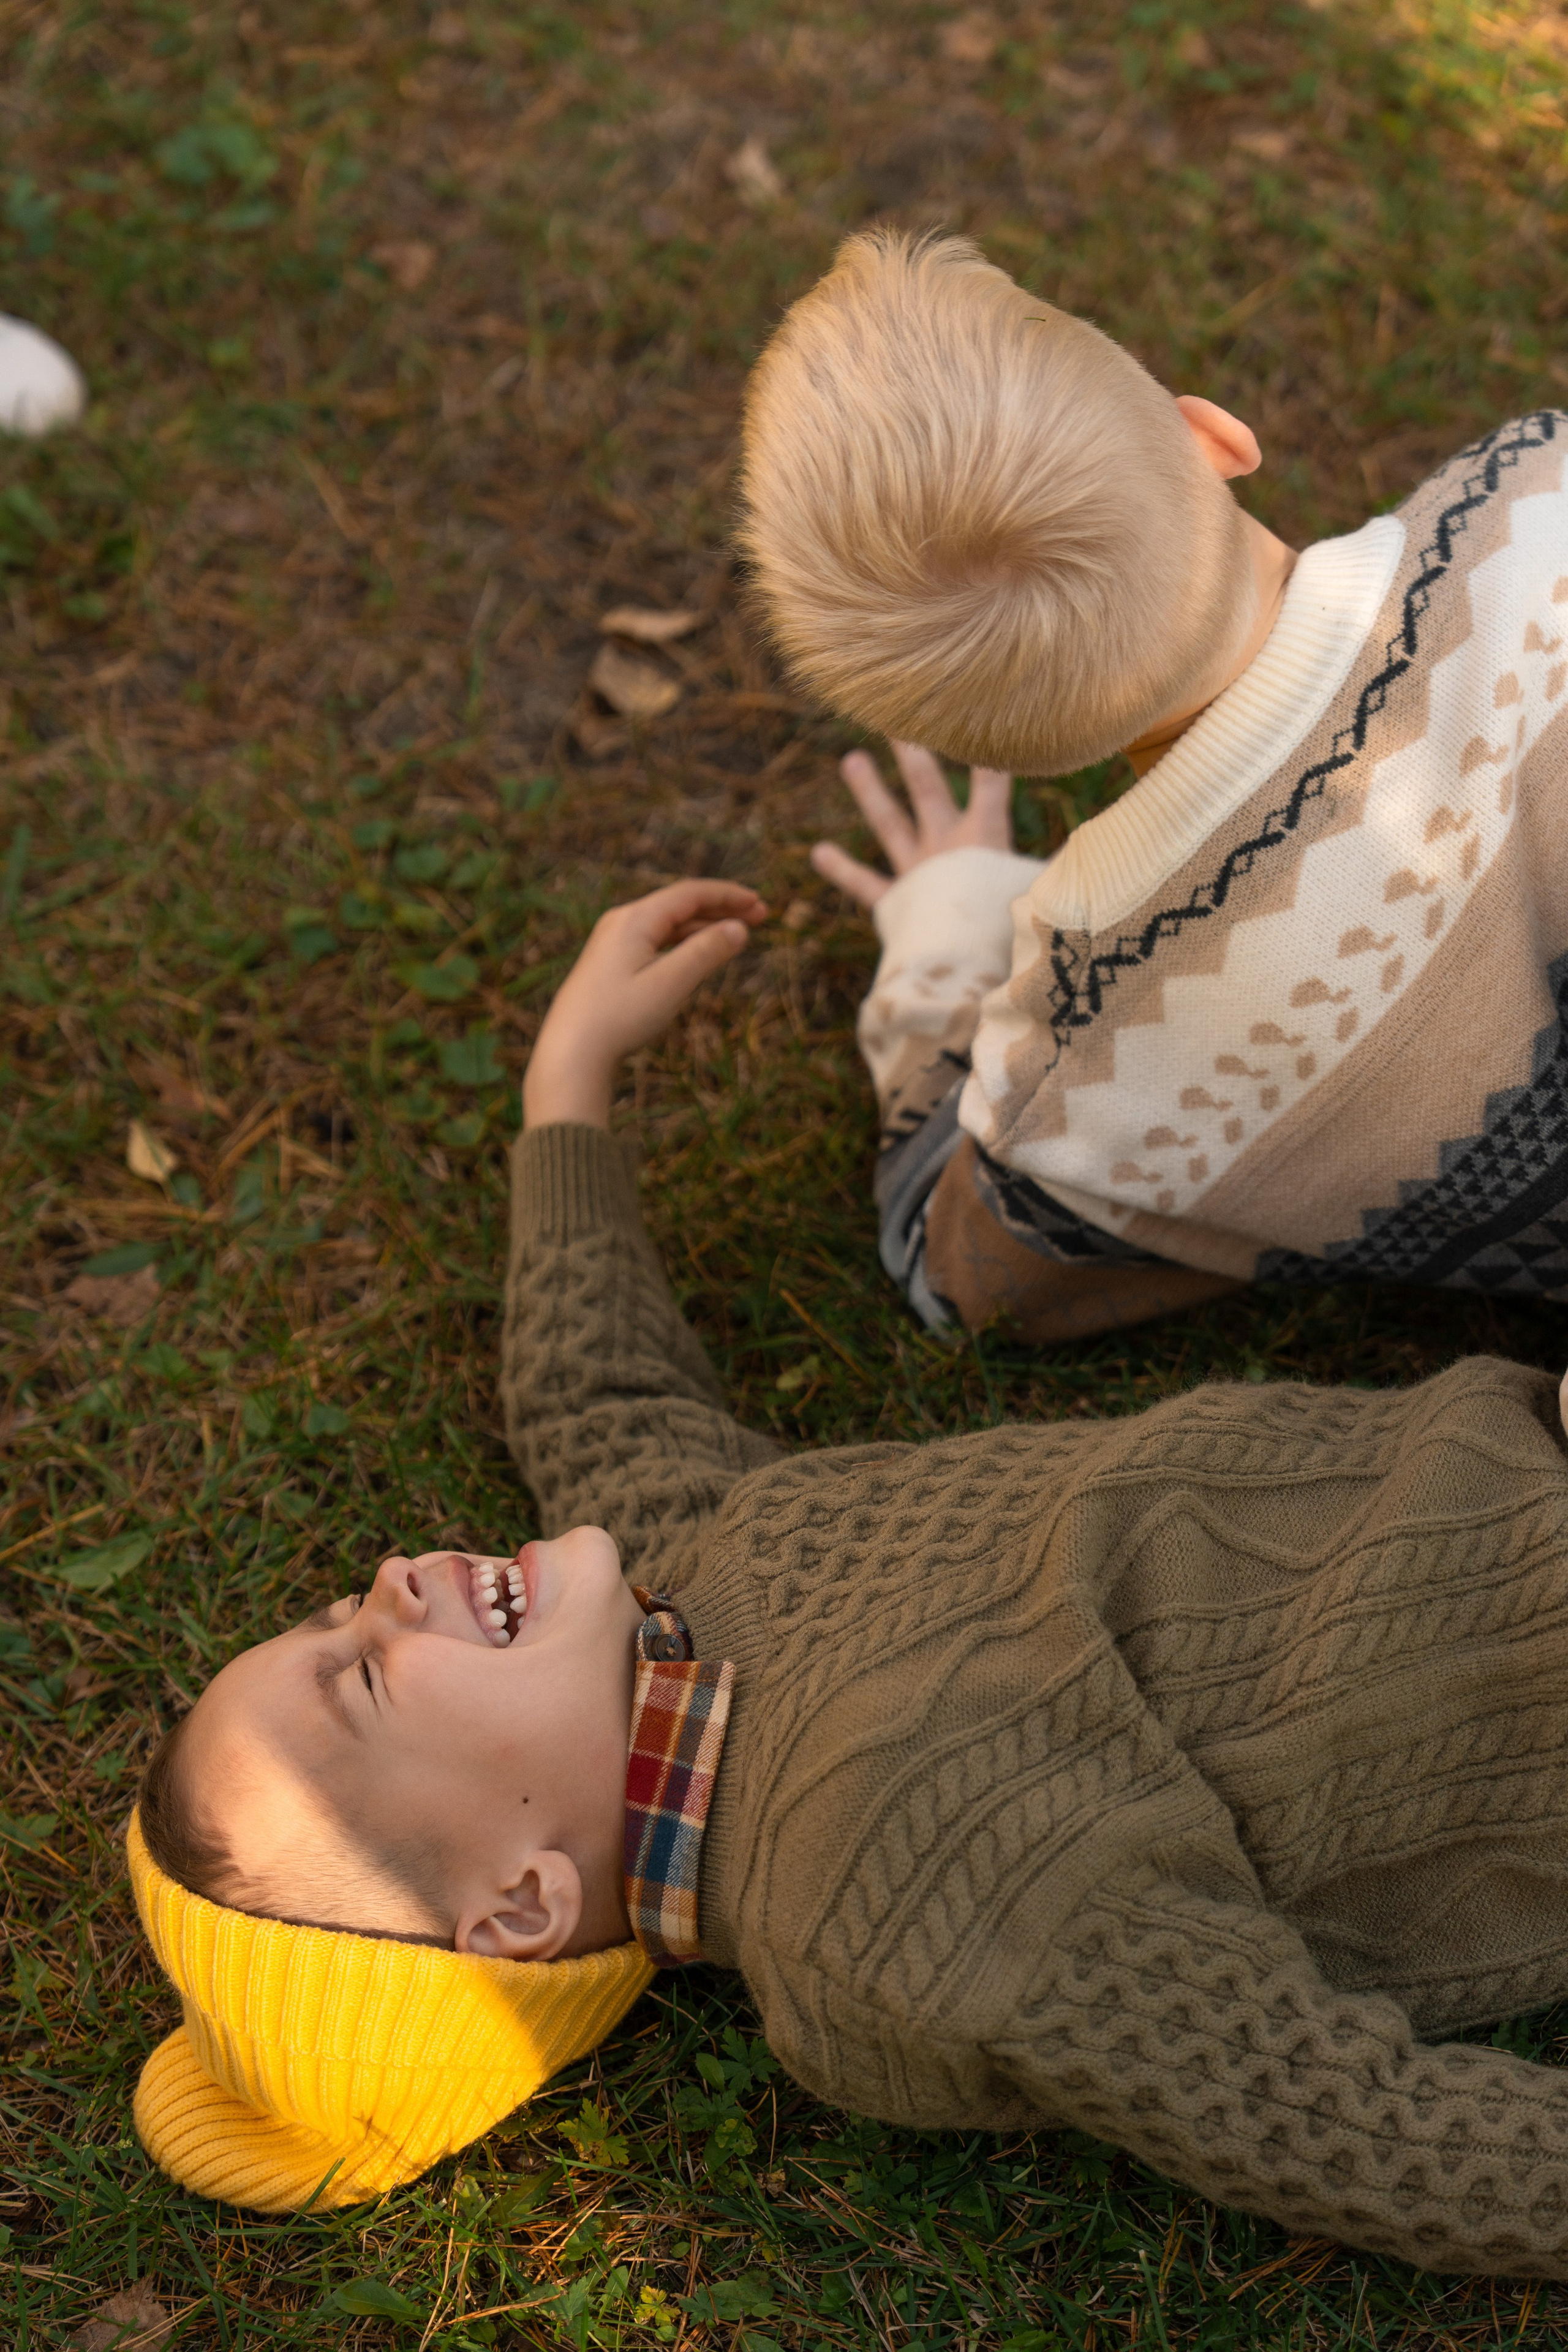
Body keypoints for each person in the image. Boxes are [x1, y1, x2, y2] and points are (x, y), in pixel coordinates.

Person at [129, 878, 1568, 2278]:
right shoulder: (883, 1892)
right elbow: (1342, 2126)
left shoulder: (675, 1588)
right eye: (365, 1675)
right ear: (518, 1903)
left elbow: (593, 1399)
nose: (384, 1580)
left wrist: (566, 1085)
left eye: (335, 1608)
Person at [742, 228, 1568, 1341]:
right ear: (1214, 436)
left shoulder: (1115, 1049)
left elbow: (952, 1259)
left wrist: (950, 921)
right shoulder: (1535, 489)